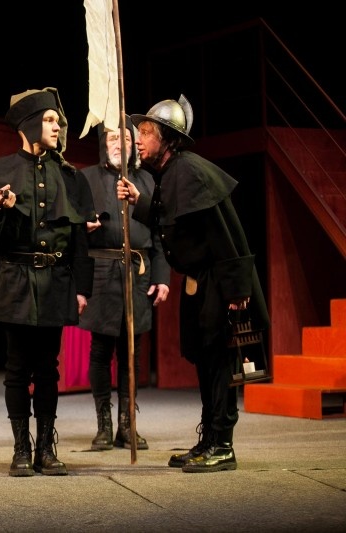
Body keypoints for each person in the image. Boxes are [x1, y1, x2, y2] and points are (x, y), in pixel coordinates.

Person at [117, 94, 269, 473]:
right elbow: (171, 216)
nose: (138, 140)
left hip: (220, 282)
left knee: (220, 364)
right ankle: (209, 439)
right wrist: (139, 200)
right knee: (205, 360)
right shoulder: (171, 174)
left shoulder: (191, 172)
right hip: (200, 282)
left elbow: (226, 234)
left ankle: (223, 445)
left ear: (168, 139)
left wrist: (237, 292)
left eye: (146, 133)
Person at [0, 88, 95, 476]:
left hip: (55, 280)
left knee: (48, 369)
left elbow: (80, 239)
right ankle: (21, 448)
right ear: (28, 125)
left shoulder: (71, 177)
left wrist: (82, 288)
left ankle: (46, 449)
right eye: (50, 120)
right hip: (15, 281)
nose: (57, 126)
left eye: (58, 120)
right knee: (17, 368)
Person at [78, 118, 170, 451]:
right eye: (113, 138)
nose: (120, 144)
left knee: (132, 353)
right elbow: (71, 229)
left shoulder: (147, 180)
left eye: (126, 139)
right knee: (101, 350)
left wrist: (161, 277)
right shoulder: (85, 179)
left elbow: (159, 233)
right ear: (104, 144)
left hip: (138, 272)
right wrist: (82, 228)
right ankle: (103, 425)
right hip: (101, 271)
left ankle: (127, 425)